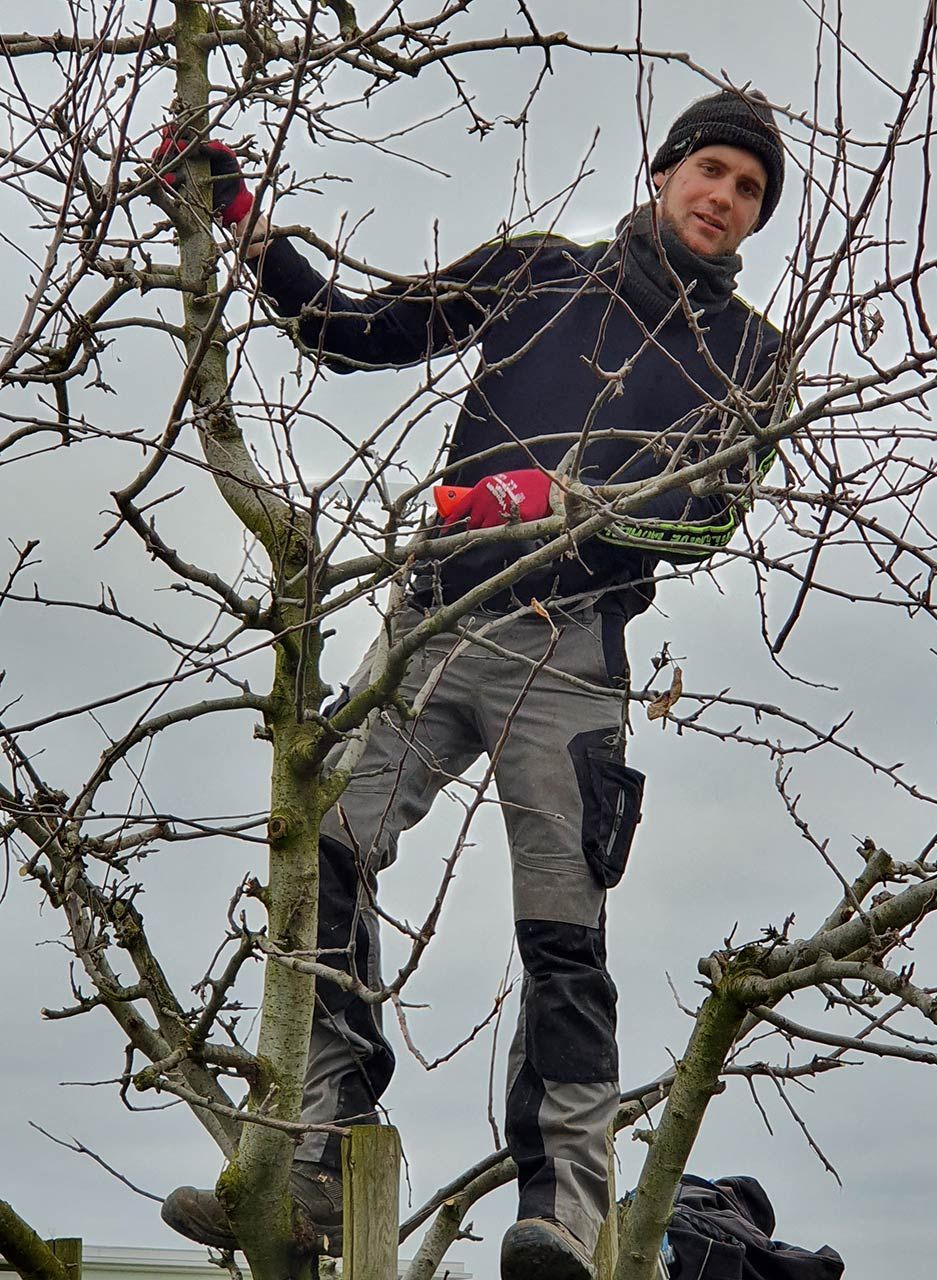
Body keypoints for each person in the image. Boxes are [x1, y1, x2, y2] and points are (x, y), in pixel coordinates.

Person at [159, 88, 786, 1280]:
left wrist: (555, 500)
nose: (724, 198)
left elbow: (709, 523)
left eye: (749, 190)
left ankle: (563, 1210)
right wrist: (235, 214)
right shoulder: (538, 273)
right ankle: (310, 1161)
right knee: (321, 849)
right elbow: (352, 332)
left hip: (575, 650)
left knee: (562, 936)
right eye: (712, 169)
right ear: (664, 171)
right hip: (432, 623)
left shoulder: (752, 356)